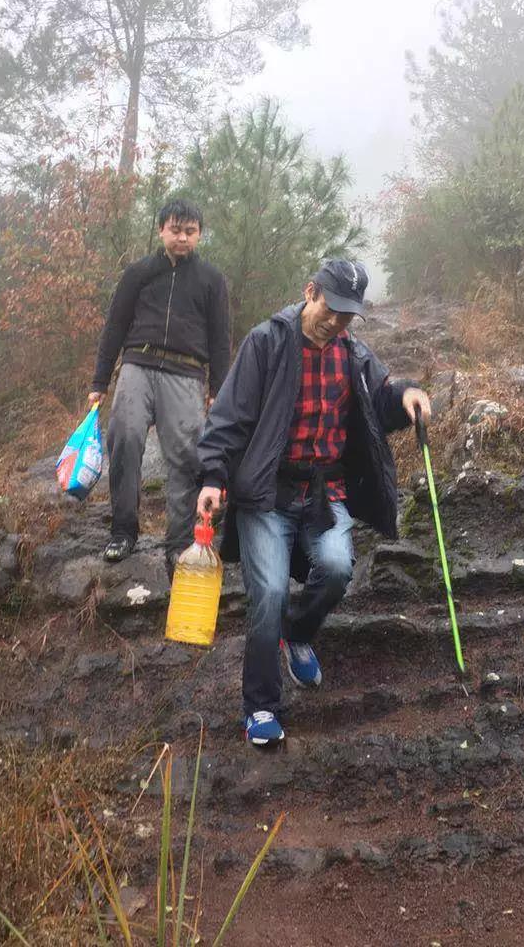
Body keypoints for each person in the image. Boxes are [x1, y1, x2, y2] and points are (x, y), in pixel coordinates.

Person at [195, 258, 431, 747]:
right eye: (332, 308)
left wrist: (407, 394)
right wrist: (214, 476)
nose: (337, 321)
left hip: (325, 493)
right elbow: (230, 416)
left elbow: (380, 401)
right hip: (267, 494)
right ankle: (261, 705)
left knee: (338, 569)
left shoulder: (351, 353)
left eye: (348, 314)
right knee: (268, 596)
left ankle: (297, 633)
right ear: (310, 291)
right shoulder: (267, 342)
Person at [89, 199, 230, 581]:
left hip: (186, 374)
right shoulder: (139, 273)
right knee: (125, 437)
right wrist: (100, 382)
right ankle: (123, 531)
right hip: (138, 364)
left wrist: (219, 388)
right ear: (161, 230)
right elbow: (114, 327)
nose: (182, 237)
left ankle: (179, 544)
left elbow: (221, 339)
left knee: (187, 456)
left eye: (190, 231)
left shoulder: (211, 280)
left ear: (199, 235)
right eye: (175, 229)